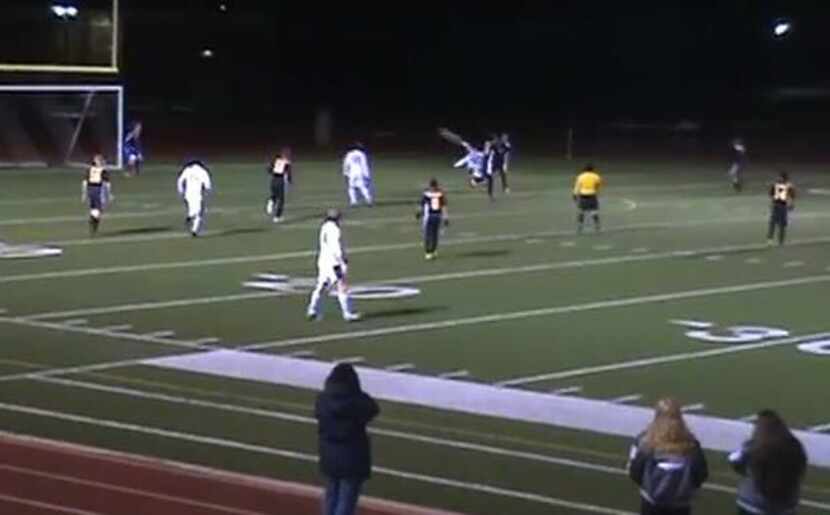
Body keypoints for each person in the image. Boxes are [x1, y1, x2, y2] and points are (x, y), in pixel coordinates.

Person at [315, 363, 379, 515]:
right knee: (346, 502)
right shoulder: (355, 402)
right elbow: (373, 408)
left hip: (329, 457)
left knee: (331, 497)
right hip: (352, 458)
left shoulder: (323, 400)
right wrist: (357, 392)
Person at [627, 398, 709, 515]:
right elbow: (701, 473)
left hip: (651, 502)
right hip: (681, 504)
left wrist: (648, 485)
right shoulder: (691, 443)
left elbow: (634, 471)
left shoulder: (645, 441)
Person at [729, 410, 807, 515]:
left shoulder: (753, 446)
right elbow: (801, 467)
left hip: (752, 504)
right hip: (785, 506)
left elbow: (734, 460)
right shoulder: (795, 446)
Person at [306, 209, 361, 322]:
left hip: (323, 261)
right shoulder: (335, 230)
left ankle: (312, 309)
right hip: (334, 263)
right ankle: (347, 313)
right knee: (342, 286)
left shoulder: (324, 227)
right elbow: (336, 247)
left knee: (321, 286)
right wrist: (343, 259)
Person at [176, 160, 213, 237]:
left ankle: (194, 230)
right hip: (197, 194)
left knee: (193, 209)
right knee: (199, 212)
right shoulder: (203, 172)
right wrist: (207, 191)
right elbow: (207, 184)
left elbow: (180, 180)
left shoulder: (188, 170)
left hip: (188, 194)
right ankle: (191, 218)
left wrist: (181, 190)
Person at [415, 178, 449, 260]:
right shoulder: (440, 194)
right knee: (434, 235)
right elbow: (443, 206)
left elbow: (422, 205)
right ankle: (433, 251)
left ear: (430, 186)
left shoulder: (426, 194)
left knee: (428, 235)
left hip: (430, 216)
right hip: (437, 216)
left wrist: (418, 213)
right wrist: (445, 217)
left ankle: (428, 252)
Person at [81, 154, 112, 236]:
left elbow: (84, 182)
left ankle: (93, 220)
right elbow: (107, 183)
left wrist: (84, 193)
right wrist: (109, 194)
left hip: (90, 189)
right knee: (99, 209)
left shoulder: (90, 169)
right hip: (98, 190)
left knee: (93, 208)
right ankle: (93, 222)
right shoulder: (103, 170)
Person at [767, 172, 795, 246]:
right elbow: (771, 194)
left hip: (782, 206)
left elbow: (792, 196)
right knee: (773, 223)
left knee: (780, 224)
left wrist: (791, 203)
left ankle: (780, 241)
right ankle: (771, 239)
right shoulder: (778, 184)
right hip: (777, 205)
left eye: (780, 177)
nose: (779, 178)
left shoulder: (786, 185)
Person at [573, 163, 603, 233]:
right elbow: (598, 184)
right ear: (592, 169)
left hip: (583, 195)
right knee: (594, 212)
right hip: (592, 195)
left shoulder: (580, 176)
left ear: (584, 170)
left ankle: (580, 225)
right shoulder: (596, 176)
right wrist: (596, 190)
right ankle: (597, 224)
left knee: (581, 211)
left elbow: (577, 186)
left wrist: (574, 194)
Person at [265, 147, 292, 223]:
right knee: (281, 199)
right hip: (280, 180)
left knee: (274, 194)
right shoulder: (287, 162)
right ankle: (277, 217)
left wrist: (272, 173)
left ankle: (271, 201)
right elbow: (288, 174)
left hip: (273, 179)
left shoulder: (276, 160)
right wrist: (289, 182)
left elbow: (269, 169)